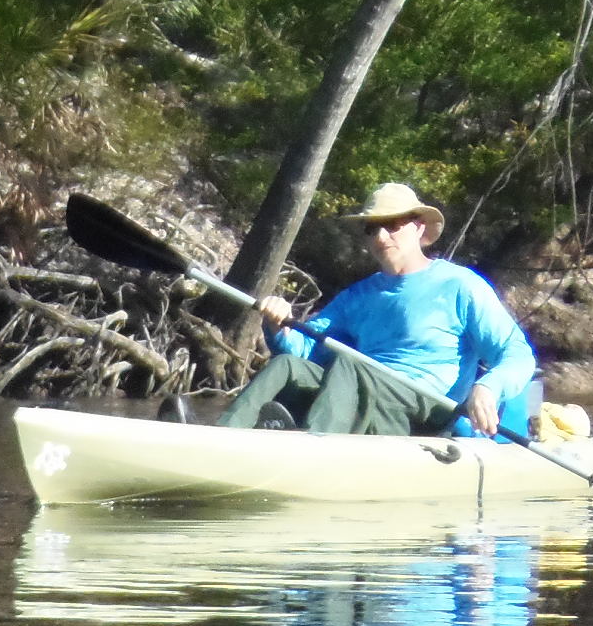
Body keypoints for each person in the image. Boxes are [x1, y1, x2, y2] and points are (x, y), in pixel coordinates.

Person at [218, 183, 536, 438]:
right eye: (372, 228)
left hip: (426, 410)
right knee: (287, 366)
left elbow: (518, 354)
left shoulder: (461, 285)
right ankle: (222, 435)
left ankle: (314, 446)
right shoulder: (358, 295)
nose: (381, 236)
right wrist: (279, 326)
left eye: (392, 224)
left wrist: (487, 387)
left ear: (418, 227)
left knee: (352, 365)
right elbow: (304, 350)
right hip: (362, 392)